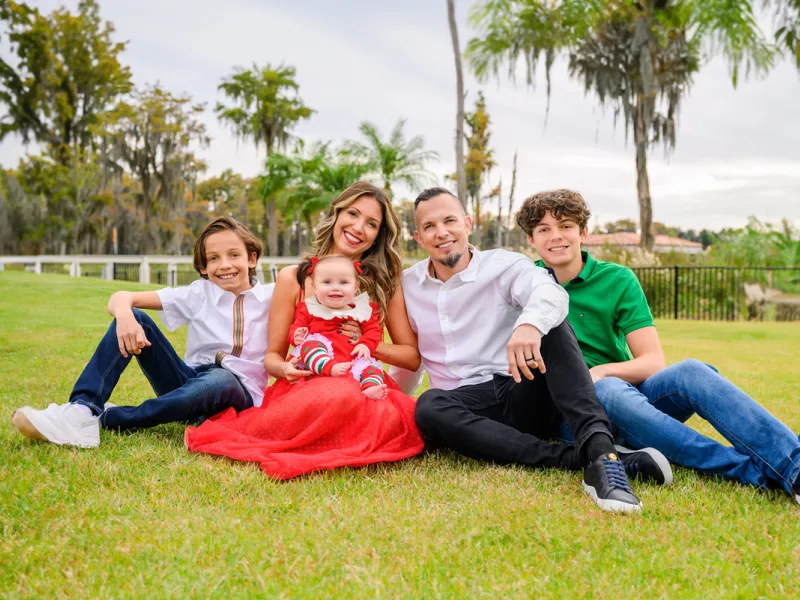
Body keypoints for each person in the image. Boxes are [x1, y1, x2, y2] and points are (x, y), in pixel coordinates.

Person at [390, 187, 672, 514]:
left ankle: (602, 455)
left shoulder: (504, 265)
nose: (441, 232)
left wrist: (529, 325)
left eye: (450, 220)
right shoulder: (408, 286)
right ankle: (578, 459)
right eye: (429, 226)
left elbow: (548, 293)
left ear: (467, 224)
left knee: (551, 323)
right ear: (418, 237)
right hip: (466, 408)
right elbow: (410, 361)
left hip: (520, 388)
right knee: (428, 406)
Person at [517, 188, 800, 504]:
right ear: (532, 240)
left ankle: (795, 466)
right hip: (575, 420)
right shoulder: (521, 286)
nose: (556, 237)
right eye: (543, 230)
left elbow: (652, 361)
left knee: (692, 371)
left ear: (583, 232)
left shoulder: (618, 279)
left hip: (629, 398)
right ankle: (751, 471)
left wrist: (601, 371)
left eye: (566, 226)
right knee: (607, 389)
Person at [185, 182, 424, 479]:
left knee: (380, 409)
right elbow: (272, 357)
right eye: (352, 213)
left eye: (371, 223)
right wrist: (288, 369)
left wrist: (362, 343)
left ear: (378, 235)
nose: (359, 227)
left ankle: (342, 436)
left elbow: (411, 357)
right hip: (307, 382)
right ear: (336, 215)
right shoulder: (292, 278)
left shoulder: (384, 282)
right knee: (337, 397)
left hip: (360, 377)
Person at [12, 217, 273, 448]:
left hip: (239, 397)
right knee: (136, 317)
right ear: (203, 267)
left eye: (234, 255)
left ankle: (112, 419)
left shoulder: (274, 296)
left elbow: (309, 279)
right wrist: (125, 316)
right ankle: (81, 410)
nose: (224, 265)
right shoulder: (197, 294)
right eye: (214, 258)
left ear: (252, 258)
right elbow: (121, 297)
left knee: (222, 380)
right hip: (188, 383)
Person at [289, 255, 388, 400]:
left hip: (351, 361)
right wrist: (297, 335)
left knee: (371, 368)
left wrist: (365, 345)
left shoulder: (361, 311)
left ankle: (370, 388)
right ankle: (329, 367)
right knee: (309, 345)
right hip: (319, 363)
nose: (335, 288)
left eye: (343, 282)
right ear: (314, 285)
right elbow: (295, 328)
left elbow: (374, 331)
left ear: (356, 285)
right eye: (327, 282)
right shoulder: (309, 309)